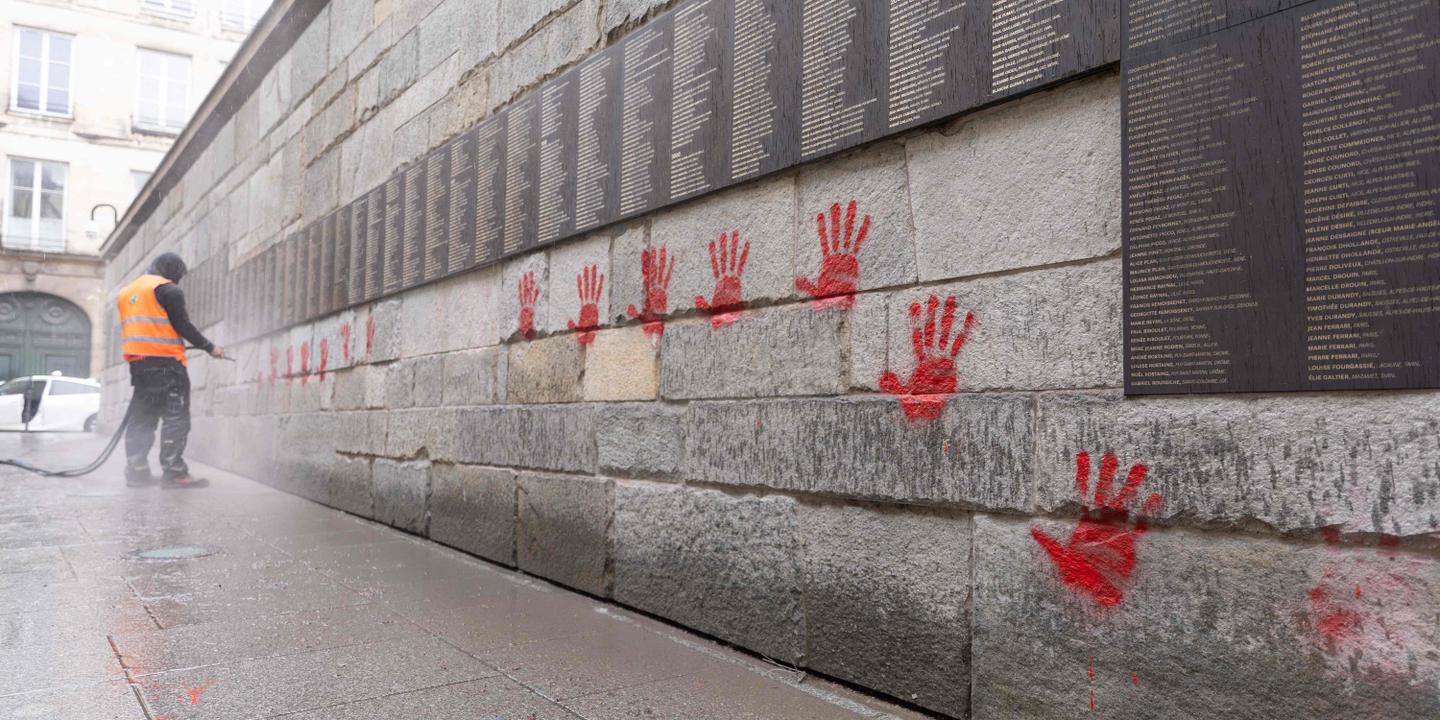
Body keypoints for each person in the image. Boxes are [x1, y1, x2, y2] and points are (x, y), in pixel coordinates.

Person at [116, 252, 224, 488]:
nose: (177, 282)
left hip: (139, 366)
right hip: (167, 365)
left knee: (142, 417)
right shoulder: (168, 290)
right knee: (176, 417)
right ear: (172, 271)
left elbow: (150, 326)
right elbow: (182, 324)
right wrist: (210, 347)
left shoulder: (126, 292)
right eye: (177, 276)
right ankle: (175, 473)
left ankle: (137, 471)